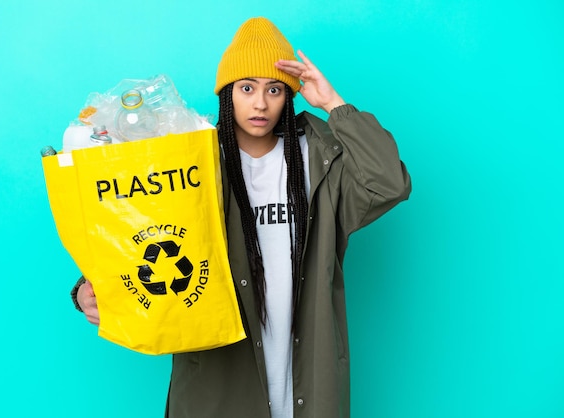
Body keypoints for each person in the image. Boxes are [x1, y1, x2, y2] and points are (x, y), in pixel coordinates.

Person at [71, 16, 411, 418]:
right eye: (246, 88)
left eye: (274, 89)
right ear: (226, 93)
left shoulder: (319, 161)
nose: (260, 103)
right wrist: (86, 290)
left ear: (290, 96)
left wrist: (334, 105)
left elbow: (389, 183)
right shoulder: (189, 165)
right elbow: (142, 235)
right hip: (217, 389)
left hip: (308, 386)